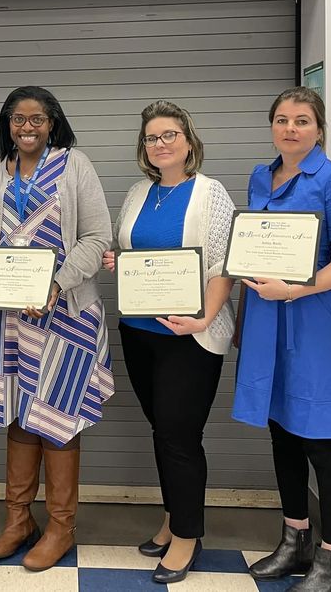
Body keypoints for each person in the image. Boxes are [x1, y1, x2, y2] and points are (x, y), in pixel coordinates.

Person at [0, 86, 113, 572]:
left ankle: (61, 526)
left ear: (52, 123)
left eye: (37, 119)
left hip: (65, 316)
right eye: (18, 119)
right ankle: (18, 520)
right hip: (5, 318)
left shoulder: (75, 165)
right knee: (17, 412)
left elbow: (96, 238)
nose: (27, 127)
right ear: (7, 124)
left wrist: (57, 282)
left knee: (58, 412)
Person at [233, 87, 331, 592]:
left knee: (322, 443)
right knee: (282, 435)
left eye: (302, 120)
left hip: (311, 325)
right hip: (266, 320)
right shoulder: (259, 177)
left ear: (319, 128)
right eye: (282, 120)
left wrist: (295, 287)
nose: (291, 128)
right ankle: (294, 542)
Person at [100, 100, 235, 584]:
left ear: (188, 141)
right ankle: (173, 517)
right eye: (152, 138)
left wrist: (204, 318)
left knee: (180, 437)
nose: (160, 144)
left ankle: (187, 537)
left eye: (169, 135)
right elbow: (135, 253)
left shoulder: (210, 193)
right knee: (163, 431)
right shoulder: (139, 192)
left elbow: (224, 266)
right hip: (140, 333)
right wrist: (120, 261)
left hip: (191, 338)